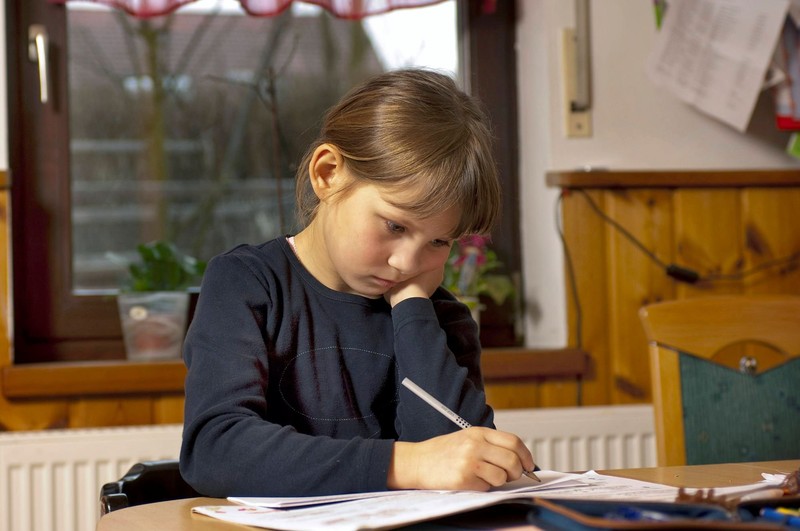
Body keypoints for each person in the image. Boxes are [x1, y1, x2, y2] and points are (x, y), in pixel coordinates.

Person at [179, 68, 536, 497]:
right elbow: (214, 450)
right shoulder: (246, 283)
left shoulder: (438, 317)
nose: (406, 263)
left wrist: (412, 308)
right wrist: (406, 464)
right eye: (394, 225)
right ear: (328, 173)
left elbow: (458, 460)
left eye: (439, 241)